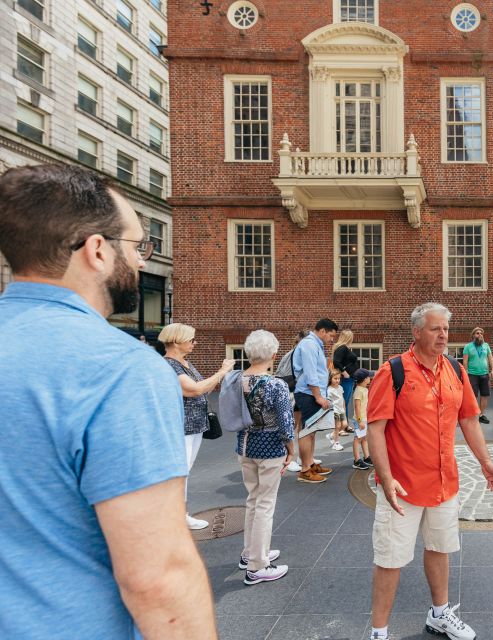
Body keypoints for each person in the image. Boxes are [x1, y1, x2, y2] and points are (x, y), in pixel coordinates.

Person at [0, 164, 216, 638]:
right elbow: (158, 578)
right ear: (97, 250)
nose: (142, 262)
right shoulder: (121, 368)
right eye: (139, 246)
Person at [366, 303, 493, 640]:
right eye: (435, 329)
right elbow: (375, 428)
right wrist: (385, 478)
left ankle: (440, 614)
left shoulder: (456, 370)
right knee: (390, 559)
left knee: (441, 548)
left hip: (445, 483)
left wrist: (485, 461)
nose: (443, 335)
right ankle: (379, 632)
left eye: (445, 329)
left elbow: (469, 419)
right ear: (417, 332)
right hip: (402, 486)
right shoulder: (393, 371)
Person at [158, 322, 235, 530]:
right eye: (191, 339)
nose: (195, 343)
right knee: (179, 472)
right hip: (180, 427)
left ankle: (178, 514)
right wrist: (222, 371)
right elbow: (193, 389)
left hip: (194, 426)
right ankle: (177, 515)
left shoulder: (185, 363)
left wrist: (216, 379)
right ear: (176, 341)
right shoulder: (169, 365)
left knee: (185, 470)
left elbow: (202, 389)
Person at [233, 330, 295, 586]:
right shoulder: (275, 384)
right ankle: (258, 566)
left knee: (253, 500)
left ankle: (250, 553)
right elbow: (285, 422)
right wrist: (291, 448)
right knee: (265, 505)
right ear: (272, 354)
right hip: (270, 447)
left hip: (244, 445)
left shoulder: (235, 380)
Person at [293, 318, 339, 483]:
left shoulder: (315, 345)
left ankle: (310, 463)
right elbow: (310, 372)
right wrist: (318, 396)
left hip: (311, 393)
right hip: (308, 394)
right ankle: (305, 470)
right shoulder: (309, 345)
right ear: (322, 331)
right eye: (331, 336)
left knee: (311, 430)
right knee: (306, 431)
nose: (332, 339)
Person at [277, 329, 310, 472]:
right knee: (290, 425)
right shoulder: (297, 353)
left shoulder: (298, 352)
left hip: (296, 390)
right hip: (290, 391)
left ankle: (302, 457)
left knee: (299, 425)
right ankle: (287, 459)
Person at [462, 326, 493, 423]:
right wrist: (466, 373)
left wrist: (492, 369)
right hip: (472, 374)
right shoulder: (468, 346)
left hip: (484, 374)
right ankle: (473, 413)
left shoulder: (486, 346)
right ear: (473, 335)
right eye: (477, 333)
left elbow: (490, 358)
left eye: (481, 333)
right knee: (473, 395)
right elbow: (465, 361)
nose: (480, 335)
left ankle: (481, 415)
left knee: (484, 395)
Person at [332, 329, 361, 423]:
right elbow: (336, 362)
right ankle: (342, 426)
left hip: (349, 379)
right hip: (346, 380)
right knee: (343, 402)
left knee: (344, 402)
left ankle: (345, 424)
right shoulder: (343, 348)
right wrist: (345, 373)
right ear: (348, 337)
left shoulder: (344, 348)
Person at [351, 368, 373, 469]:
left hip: (365, 419)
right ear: (364, 379)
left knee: (364, 438)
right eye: (369, 377)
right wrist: (360, 421)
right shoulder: (359, 391)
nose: (370, 378)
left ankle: (367, 457)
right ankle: (356, 460)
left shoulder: (364, 389)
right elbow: (357, 406)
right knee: (358, 439)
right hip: (360, 420)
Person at [327, 370, 346, 451]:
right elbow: (328, 401)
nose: (337, 380)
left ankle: (331, 435)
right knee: (337, 427)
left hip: (341, 409)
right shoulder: (329, 389)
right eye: (335, 378)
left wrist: (344, 408)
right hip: (335, 410)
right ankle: (336, 443)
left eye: (339, 378)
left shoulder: (340, 387)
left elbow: (342, 399)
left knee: (344, 425)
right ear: (330, 379)